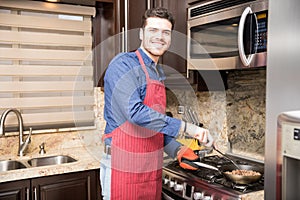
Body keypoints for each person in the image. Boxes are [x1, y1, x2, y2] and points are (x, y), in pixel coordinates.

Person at [100, 7, 214, 200]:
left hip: (150, 166)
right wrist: (188, 128)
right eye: (153, 30)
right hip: (123, 164)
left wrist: (176, 148)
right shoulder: (123, 65)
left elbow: (153, 124)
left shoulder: (157, 73)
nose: (159, 37)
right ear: (141, 34)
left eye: (165, 32)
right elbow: (136, 114)